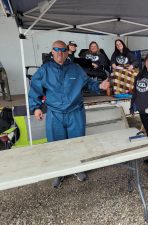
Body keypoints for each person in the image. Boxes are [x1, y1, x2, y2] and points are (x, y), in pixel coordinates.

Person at [28, 40, 110, 188]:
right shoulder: (44, 70)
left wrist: (99, 85)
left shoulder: (76, 68)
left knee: (77, 142)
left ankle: (78, 168)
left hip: (75, 112)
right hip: (55, 113)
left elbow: (88, 83)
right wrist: (36, 108)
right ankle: (58, 172)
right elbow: (35, 89)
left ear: (67, 52)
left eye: (63, 50)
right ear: (52, 51)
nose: (60, 53)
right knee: (56, 145)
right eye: (56, 49)